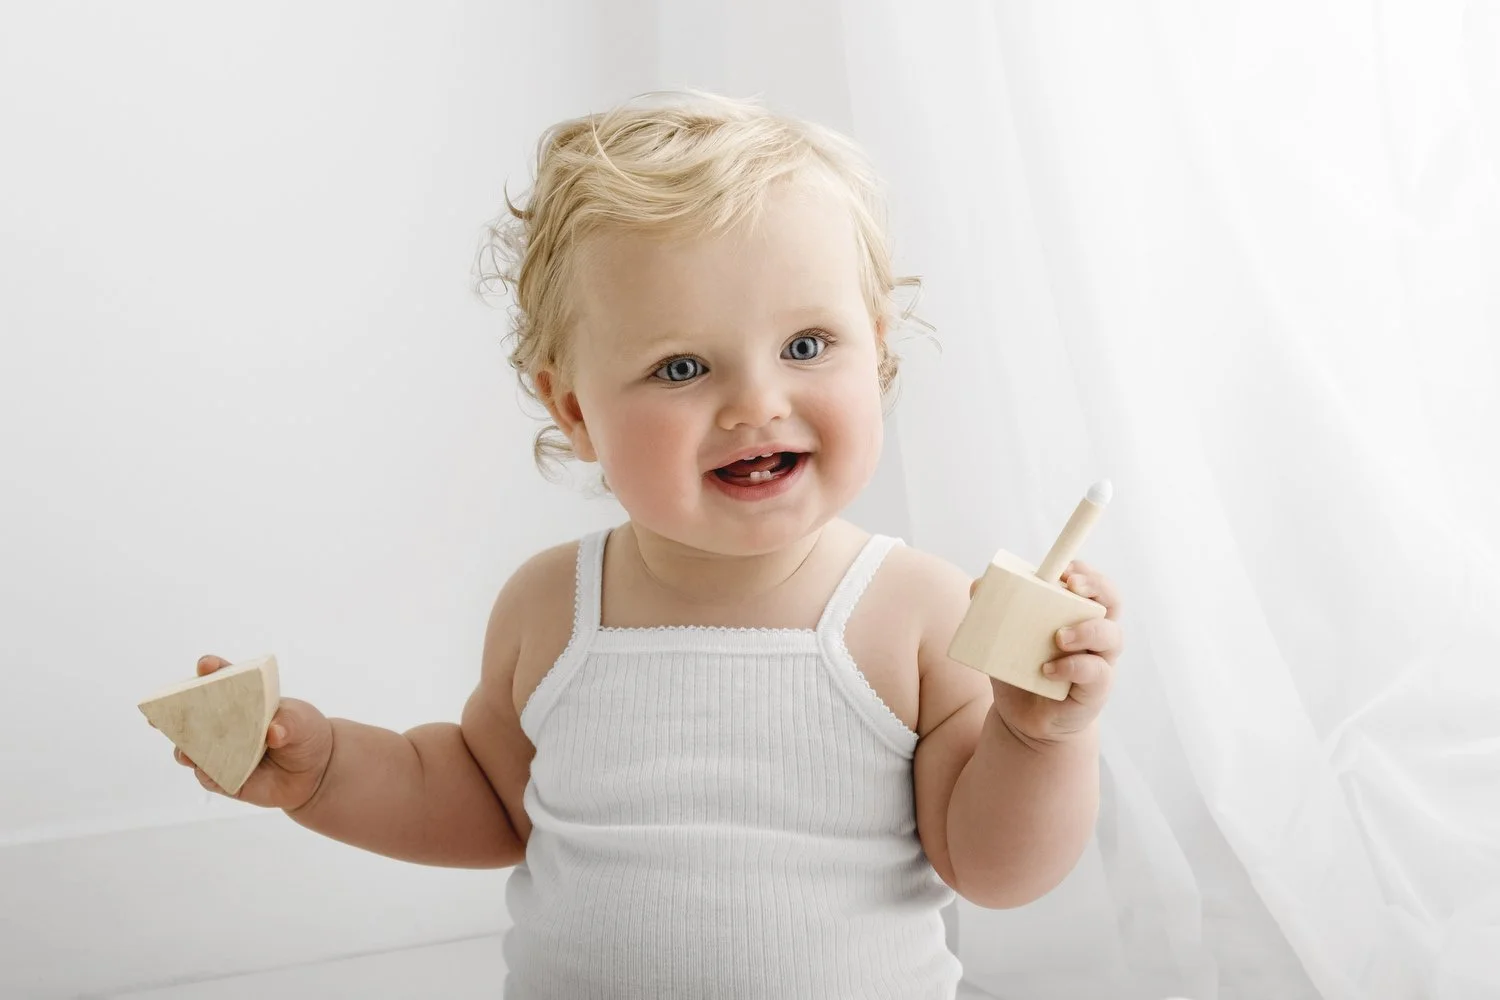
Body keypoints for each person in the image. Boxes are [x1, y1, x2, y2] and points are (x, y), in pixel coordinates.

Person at [168, 90, 1125, 999]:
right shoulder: (550, 607)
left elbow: (995, 871)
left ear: (873, 351)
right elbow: (479, 798)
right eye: (681, 366)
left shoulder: (918, 611)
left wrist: (1037, 738)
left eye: (805, 346)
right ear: (575, 410)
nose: (757, 403)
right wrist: (327, 771)